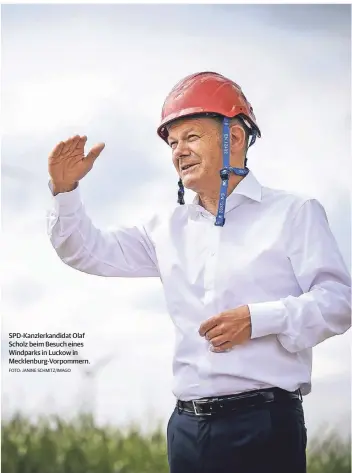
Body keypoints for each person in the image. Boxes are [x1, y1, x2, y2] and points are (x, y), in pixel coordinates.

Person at [46, 71, 351, 473]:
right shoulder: (164, 228)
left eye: (191, 137)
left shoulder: (294, 213)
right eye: (173, 143)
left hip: (264, 425)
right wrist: (64, 190)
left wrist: (258, 319)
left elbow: (338, 302)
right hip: (187, 429)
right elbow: (85, 251)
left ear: (235, 138)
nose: (179, 152)